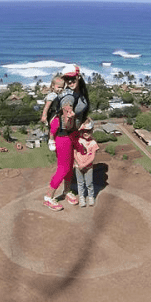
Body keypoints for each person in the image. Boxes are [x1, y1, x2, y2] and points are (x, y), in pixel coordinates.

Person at [43, 64, 90, 211]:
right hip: (63, 136)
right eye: (67, 79)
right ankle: (48, 197)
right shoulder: (68, 95)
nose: (70, 82)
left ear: (78, 76)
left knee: (69, 167)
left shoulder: (79, 92)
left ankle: (67, 190)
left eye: (72, 78)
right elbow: (67, 106)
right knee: (63, 168)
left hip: (71, 135)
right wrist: (69, 115)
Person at [73, 119, 99, 207]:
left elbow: (92, 157)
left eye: (88, 131)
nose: (86, 133)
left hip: (88, 167)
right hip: (78, 166)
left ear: (91, 131)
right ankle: (81, 198)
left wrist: (84, 165)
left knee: (89, 183)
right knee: (80, 183)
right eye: (84, 131)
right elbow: (74, 153)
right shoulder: (78, 141)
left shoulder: (93, 143)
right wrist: (79, 163)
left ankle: (91, 196)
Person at [41, 75, 65, 151]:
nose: (60, 89)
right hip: (53, 114)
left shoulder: (58, 94)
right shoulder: (52, 96)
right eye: (58, 87)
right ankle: (51, 140)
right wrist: (44, 116)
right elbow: (47, 106)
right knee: (55, 126)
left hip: (58, 113)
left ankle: (54, 138)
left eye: (62, 87)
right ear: (53, 86)